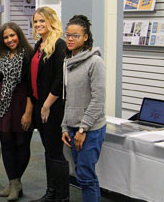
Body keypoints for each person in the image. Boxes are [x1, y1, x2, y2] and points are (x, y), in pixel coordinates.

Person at [0, 22, 34, 201]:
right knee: (6, 144)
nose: (9, 40)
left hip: (22, 104)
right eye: (6, 37)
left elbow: (32, 87)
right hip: (2, 105)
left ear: (19, 35)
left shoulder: (28, 55)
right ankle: (13, 182)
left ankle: (16, 182)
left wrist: (28, 113)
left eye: (12, 36)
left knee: (22, 144)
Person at [61, 15, 106, 202]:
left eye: (75, 35)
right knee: (80, 175)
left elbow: (98, 100)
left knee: (87, 178)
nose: (70, 39)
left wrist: (82, 128)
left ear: (86, 37)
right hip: (72, 127)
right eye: (68, 35)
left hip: (89, 129)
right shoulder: (68, 61)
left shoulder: (95, 62)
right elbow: (68, 99)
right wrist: (65, 126)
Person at [28, 7, 68, 202]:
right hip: (40, 105)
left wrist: (47, 104)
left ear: (51, 21)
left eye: (42, 21)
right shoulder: (38, 45)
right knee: (47, 150)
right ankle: (51, 191)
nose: (38, 25)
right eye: (36, 22)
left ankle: (62, 196)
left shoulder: (59, 45)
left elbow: (61, 79)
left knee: (55, 151)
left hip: (53, 107)